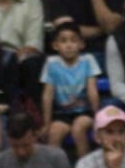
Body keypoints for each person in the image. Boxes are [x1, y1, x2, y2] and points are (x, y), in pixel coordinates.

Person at [40, 21, 101, 154]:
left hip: (84, 112)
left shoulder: (88, 60)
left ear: (81, 44)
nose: (68, 45)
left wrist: (97, 117)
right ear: (55, 45)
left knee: (78, 128)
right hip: (61, 114)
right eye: (63, 41)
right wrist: (46, 122)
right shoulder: (51, 63)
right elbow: (47, 95)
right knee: (54, 132)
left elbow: (92, 90)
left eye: (73, 40)